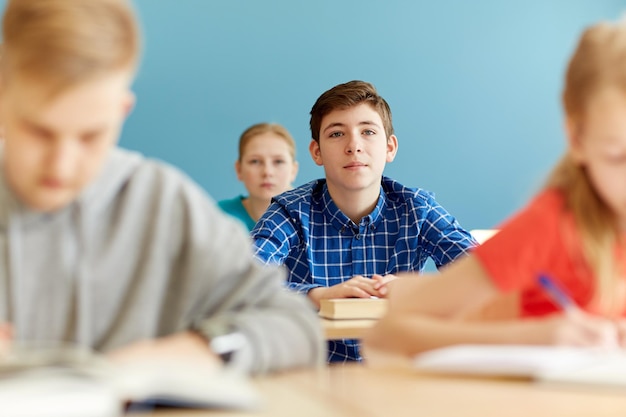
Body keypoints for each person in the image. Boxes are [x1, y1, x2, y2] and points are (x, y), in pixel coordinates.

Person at [0, 0, 323, 374]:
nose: (62, 164)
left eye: (90, 135)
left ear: (121, 110)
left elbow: (294, 326)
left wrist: (200, 351)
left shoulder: (161, 201)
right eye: (39, 132)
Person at [363, 19, 626, 360]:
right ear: (577, 139)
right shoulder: (550, 227)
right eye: (618, 157)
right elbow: (386, 335)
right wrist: (533, 338)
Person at [251, 80, 477, 362]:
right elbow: (243, 280)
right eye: (336, 134)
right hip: (310, 374)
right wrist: (317, 295)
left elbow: (483, 273)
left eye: (368, 131)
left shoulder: (417, 208)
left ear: (390, 147)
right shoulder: (290, 211)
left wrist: (415, 290)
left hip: (397, 375)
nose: (354, 146)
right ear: (316, 152)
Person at [218, 123, 299, 231]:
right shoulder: (219, 217)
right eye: (255, 161)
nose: (267, 172)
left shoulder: (314, 218)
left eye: (278, 161)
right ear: (239, 169)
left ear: (293, 170)